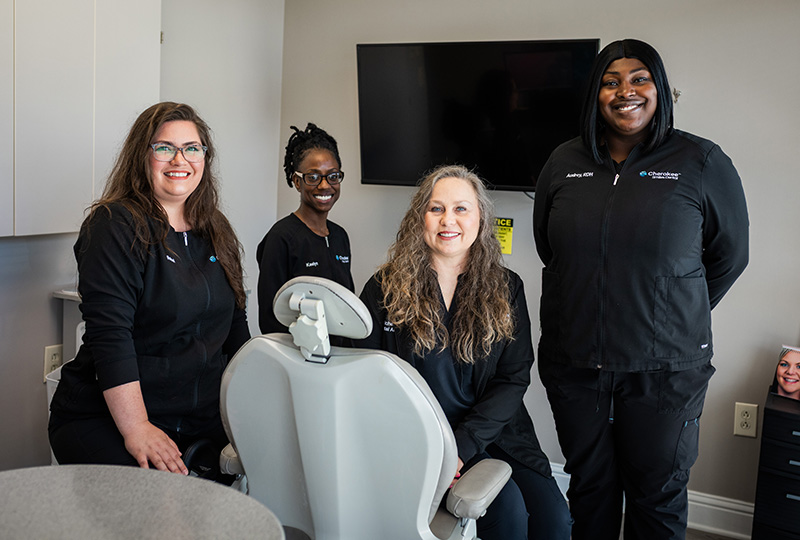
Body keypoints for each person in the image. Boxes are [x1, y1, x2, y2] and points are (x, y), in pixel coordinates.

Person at [533, 39, 749, 540]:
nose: (625, 91)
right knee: (589, 488)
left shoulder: (700, 161)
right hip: (577, 364)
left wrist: (669, 308)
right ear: (595, 93)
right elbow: (552, 249)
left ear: (659, 89)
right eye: (611, 81)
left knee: (657, 496)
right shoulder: (564, 162)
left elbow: (729, 257)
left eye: (639, 79)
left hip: (666, 371)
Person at [357, 165, 571, 540]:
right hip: (422, 439)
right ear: (419, 218)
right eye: (436, 208)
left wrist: (464, 444)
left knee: (553, 518)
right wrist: (438, 449)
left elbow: (513, 376)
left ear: (481, 218)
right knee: (509, 516)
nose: (447, 220)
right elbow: (366, 376)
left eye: (461, 208)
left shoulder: (507, 288)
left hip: (495, 430)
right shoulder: (384, 289)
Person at [49, 102, 250, 477]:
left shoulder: (216, 228)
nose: (180, 159)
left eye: (192, 148)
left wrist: (249, 416)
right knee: (163, 519)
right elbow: (112, 338)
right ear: (142, 156)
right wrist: (137, 428)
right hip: (109, 418)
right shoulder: (114, 225)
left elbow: (236, 331)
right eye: (164, 147)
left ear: (205, 157)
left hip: (198, 420)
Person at [256, 123, 354, 334]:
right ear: (297, 182)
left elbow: (347, 307)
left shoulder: (340, 237)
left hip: (339, 358)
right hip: (300, 359)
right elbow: (270, 318)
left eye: (333, 176)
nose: (325, 185)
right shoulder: (281, 238)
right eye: (313, 177)